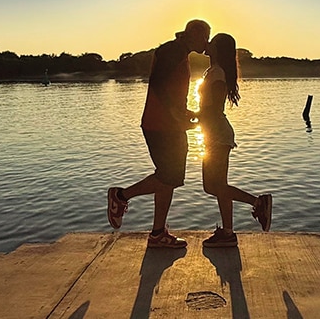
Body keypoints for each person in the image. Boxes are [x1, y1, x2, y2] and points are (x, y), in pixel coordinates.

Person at [107, 19, 210, 248]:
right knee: (169, 176)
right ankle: (120, 196)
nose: (207, 42)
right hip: (161, 124)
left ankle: (157, 233)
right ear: (194, 33)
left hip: (167, 124)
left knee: (168, 178)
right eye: (206, 36)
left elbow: (171, 90)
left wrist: (184, 112)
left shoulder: (179, 52)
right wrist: (175, 113)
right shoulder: (171, 50)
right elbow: (158, 84)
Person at [198, 33, 272, 248]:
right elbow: (209, 109)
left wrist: (195, 117)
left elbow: (215, 108)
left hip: (217, 135)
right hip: (213, 132)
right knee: (218, 186)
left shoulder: (218, 73)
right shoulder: (213, 71)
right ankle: (228, 232)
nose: (207, 43)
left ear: (218, 49)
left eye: (212, 42)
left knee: (212, 186)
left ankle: (258, 202)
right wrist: (197, 116)